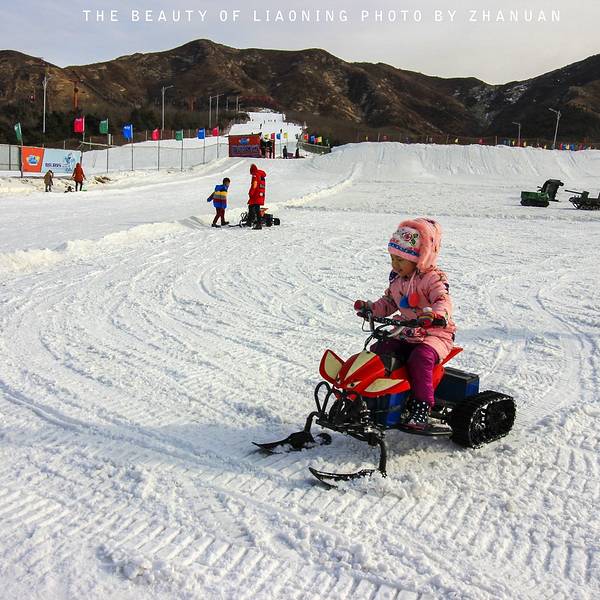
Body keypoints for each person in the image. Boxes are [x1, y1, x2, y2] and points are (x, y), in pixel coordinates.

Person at [354, 218, 456, 430]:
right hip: (407, 330)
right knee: (380, 350)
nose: (395, 265)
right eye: (392, 258)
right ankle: (369, 399)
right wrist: (371, 309)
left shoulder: (433, 278)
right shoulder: (397, 279)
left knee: (420, 358)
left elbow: (442, 300)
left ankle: (422, 406)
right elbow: (389, 302)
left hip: (435, 333)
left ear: (419, 257)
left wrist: (435, 316)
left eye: (400, 260)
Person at [247, 163, 266, 230]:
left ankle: (258, 224)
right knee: (252, 207)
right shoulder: (261, 175)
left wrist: (250, 193)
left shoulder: (255, 175)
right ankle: (250, 222)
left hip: (256, 194)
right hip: (260, 194)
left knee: (255, 209)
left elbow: (254, 185)